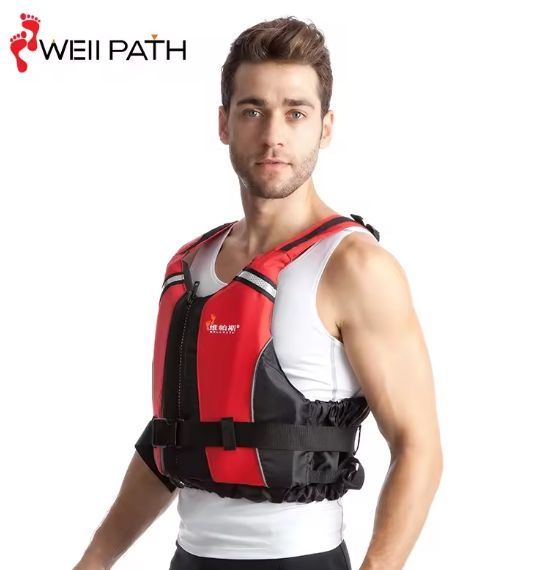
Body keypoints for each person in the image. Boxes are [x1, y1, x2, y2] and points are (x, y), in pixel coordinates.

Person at [73, 16, 443, 570]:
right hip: (189, 560)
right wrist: (94, 560)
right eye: (253, 111)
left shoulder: (356, 267)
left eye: (296, 113)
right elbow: (169, 443)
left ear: (325, 127)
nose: (274, 135)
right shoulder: (191, 265)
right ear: (224, 123)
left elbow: (419, 449)